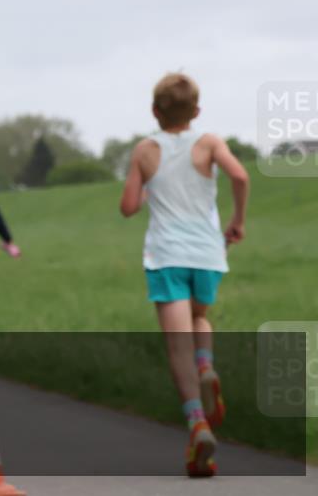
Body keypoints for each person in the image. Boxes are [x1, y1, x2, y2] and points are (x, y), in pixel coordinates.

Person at [120, 72, 249, 478]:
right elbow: (241, 176)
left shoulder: (145, 149)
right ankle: (207, 365)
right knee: (199, 317)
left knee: (178, 346)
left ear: (155, 111)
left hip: (166, 256)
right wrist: (237, 221)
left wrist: (143, 189)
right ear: (196, 110)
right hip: (207, 253)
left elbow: (127, 207)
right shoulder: (209, 142)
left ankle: (197, 423)